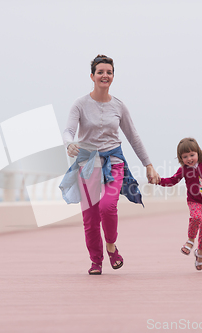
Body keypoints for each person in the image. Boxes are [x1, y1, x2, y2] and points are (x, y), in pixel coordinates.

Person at [62, 54, 160, 275]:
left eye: (109, 72)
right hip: (87, 164)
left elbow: (133, 136)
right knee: (90, 217)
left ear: (113, 77)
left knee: (108, 206)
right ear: (92, 76)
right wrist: (69, 144)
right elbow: (68, 130)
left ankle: (111, 246)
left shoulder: (119, 106)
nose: (104, 75)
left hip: (114, 161)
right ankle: (96, 261)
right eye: (100, 72)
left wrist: (148, 165)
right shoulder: (80, 104)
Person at [155, 138, 202, 270]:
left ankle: (200, 254)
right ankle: (190, 240)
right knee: (196, 217)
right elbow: (172, 181)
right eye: (185, 157)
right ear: (181, 158)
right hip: (194, 201)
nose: (189, 159)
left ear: (198, 153)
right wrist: (159, 181)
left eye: (192, 155)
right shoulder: (183, 169)